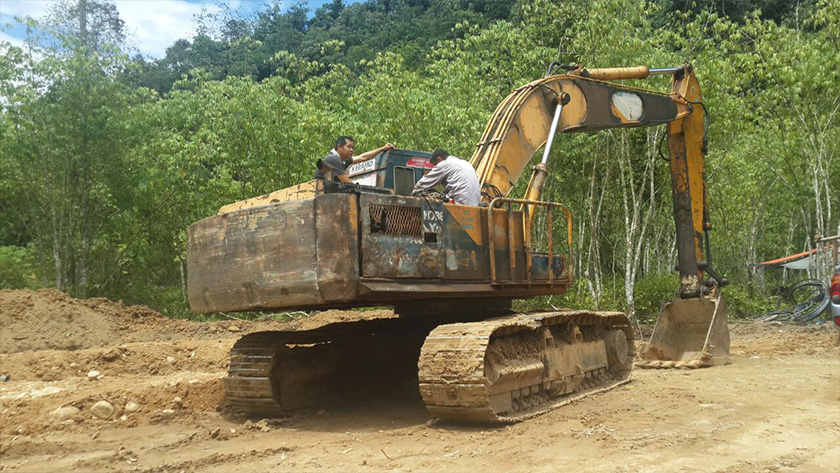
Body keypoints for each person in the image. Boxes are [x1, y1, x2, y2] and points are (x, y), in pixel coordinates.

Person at [412, 149, 481, 206]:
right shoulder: (465, 163)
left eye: (435, 165)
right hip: (475, 204)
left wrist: (413, 195)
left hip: (460, 203)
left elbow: (422, 184)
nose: (435, 168)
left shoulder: (444, 164)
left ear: (439, 159)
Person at [315, 136, 394, 183]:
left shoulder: (343, 160)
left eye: (353, 148)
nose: (352, 150)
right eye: (348, 147)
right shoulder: (333, 159)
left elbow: (363, 157)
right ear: (339, 147)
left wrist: (382, 148)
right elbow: (347, 183)